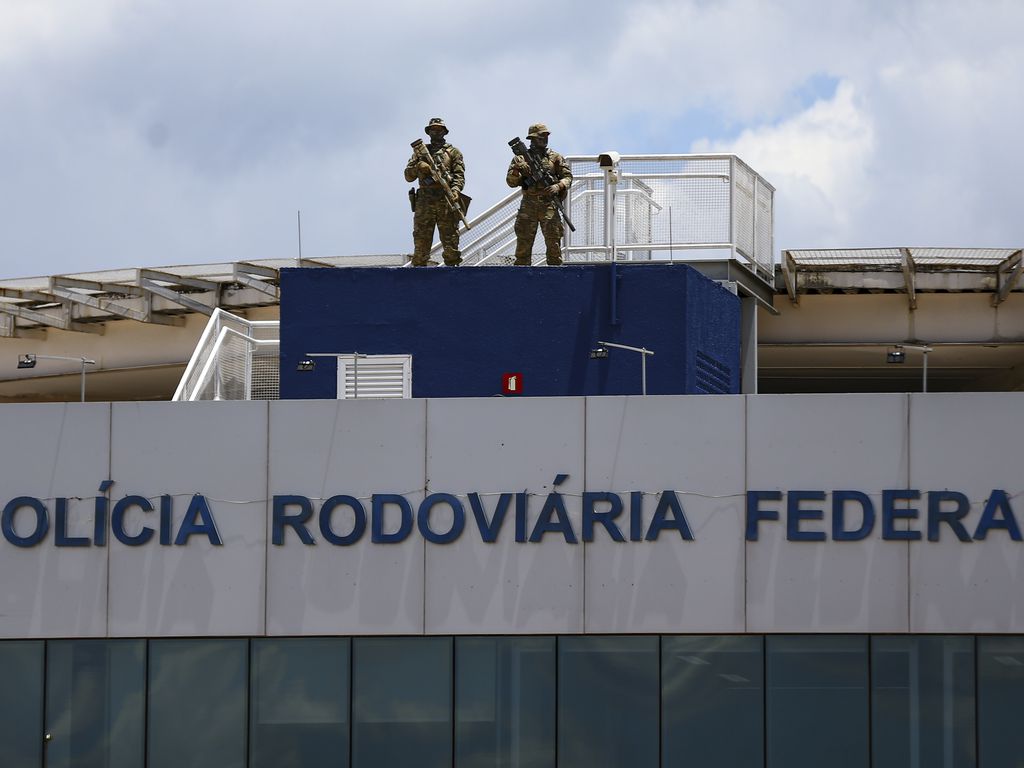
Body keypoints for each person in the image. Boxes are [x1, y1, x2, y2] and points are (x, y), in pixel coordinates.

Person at [506, 123, 573, 266]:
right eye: (541, 136)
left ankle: (554, 277)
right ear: (533, 138)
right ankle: (522, 277)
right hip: (528, 206)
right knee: (523, 245)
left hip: (549, 205)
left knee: (553, 244)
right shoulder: (520, 158)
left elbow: (568, 177)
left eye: (546, 136)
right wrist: (518, 170)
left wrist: (558, 186)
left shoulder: (555, 157)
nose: (545, 139)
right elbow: (511, 182)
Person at [404, 118, 465, 266]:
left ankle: (453, 274)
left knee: (451, 244)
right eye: (433, 129)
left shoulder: (453, 152)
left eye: (439, 129)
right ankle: (419, 273)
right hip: (425, 201)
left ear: (444, 132)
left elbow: (459, 176)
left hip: (446, 200)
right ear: (428, 132)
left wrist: (455, 190)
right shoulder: (420, 153)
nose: (436, 132)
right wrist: (419, 166)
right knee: (421, 243)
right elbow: (408, 176)